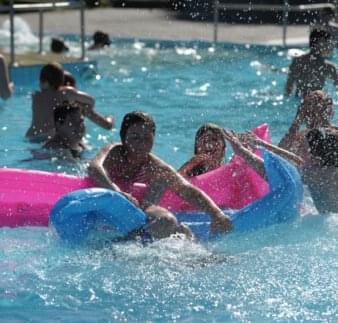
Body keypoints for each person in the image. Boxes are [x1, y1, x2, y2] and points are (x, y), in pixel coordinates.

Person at [88, 111, 233, 240]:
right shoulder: (114, 153)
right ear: (123, 137)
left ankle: (190, 249)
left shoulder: (155, 166)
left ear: (154, 138)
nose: (141, 143)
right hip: (107, 203)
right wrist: (117, 192)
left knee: (167, 221)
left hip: (141, 208)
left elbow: (187, 190)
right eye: (135, 137)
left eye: (146, 137)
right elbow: (94, 168)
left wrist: (216, 214)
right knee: (180, 230)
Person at [278, 90, 338, 213]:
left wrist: (297, 121)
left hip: (323, 214)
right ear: (331, 112)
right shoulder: (304, 137)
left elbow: (278, 158)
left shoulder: (302, 139)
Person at [25, 62, 114, 142]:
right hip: (50, 136)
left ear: (42, 81)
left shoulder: (35, 96)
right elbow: (91, 101)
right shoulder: (68, 95)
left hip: (31, 137)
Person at [285, 29, 338, 97]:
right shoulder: (329, 67)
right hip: (318, 103)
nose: (331, 45)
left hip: (299, 101)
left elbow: (288, 88)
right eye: (327, 42)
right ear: (318, 43)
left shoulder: (297, 61)